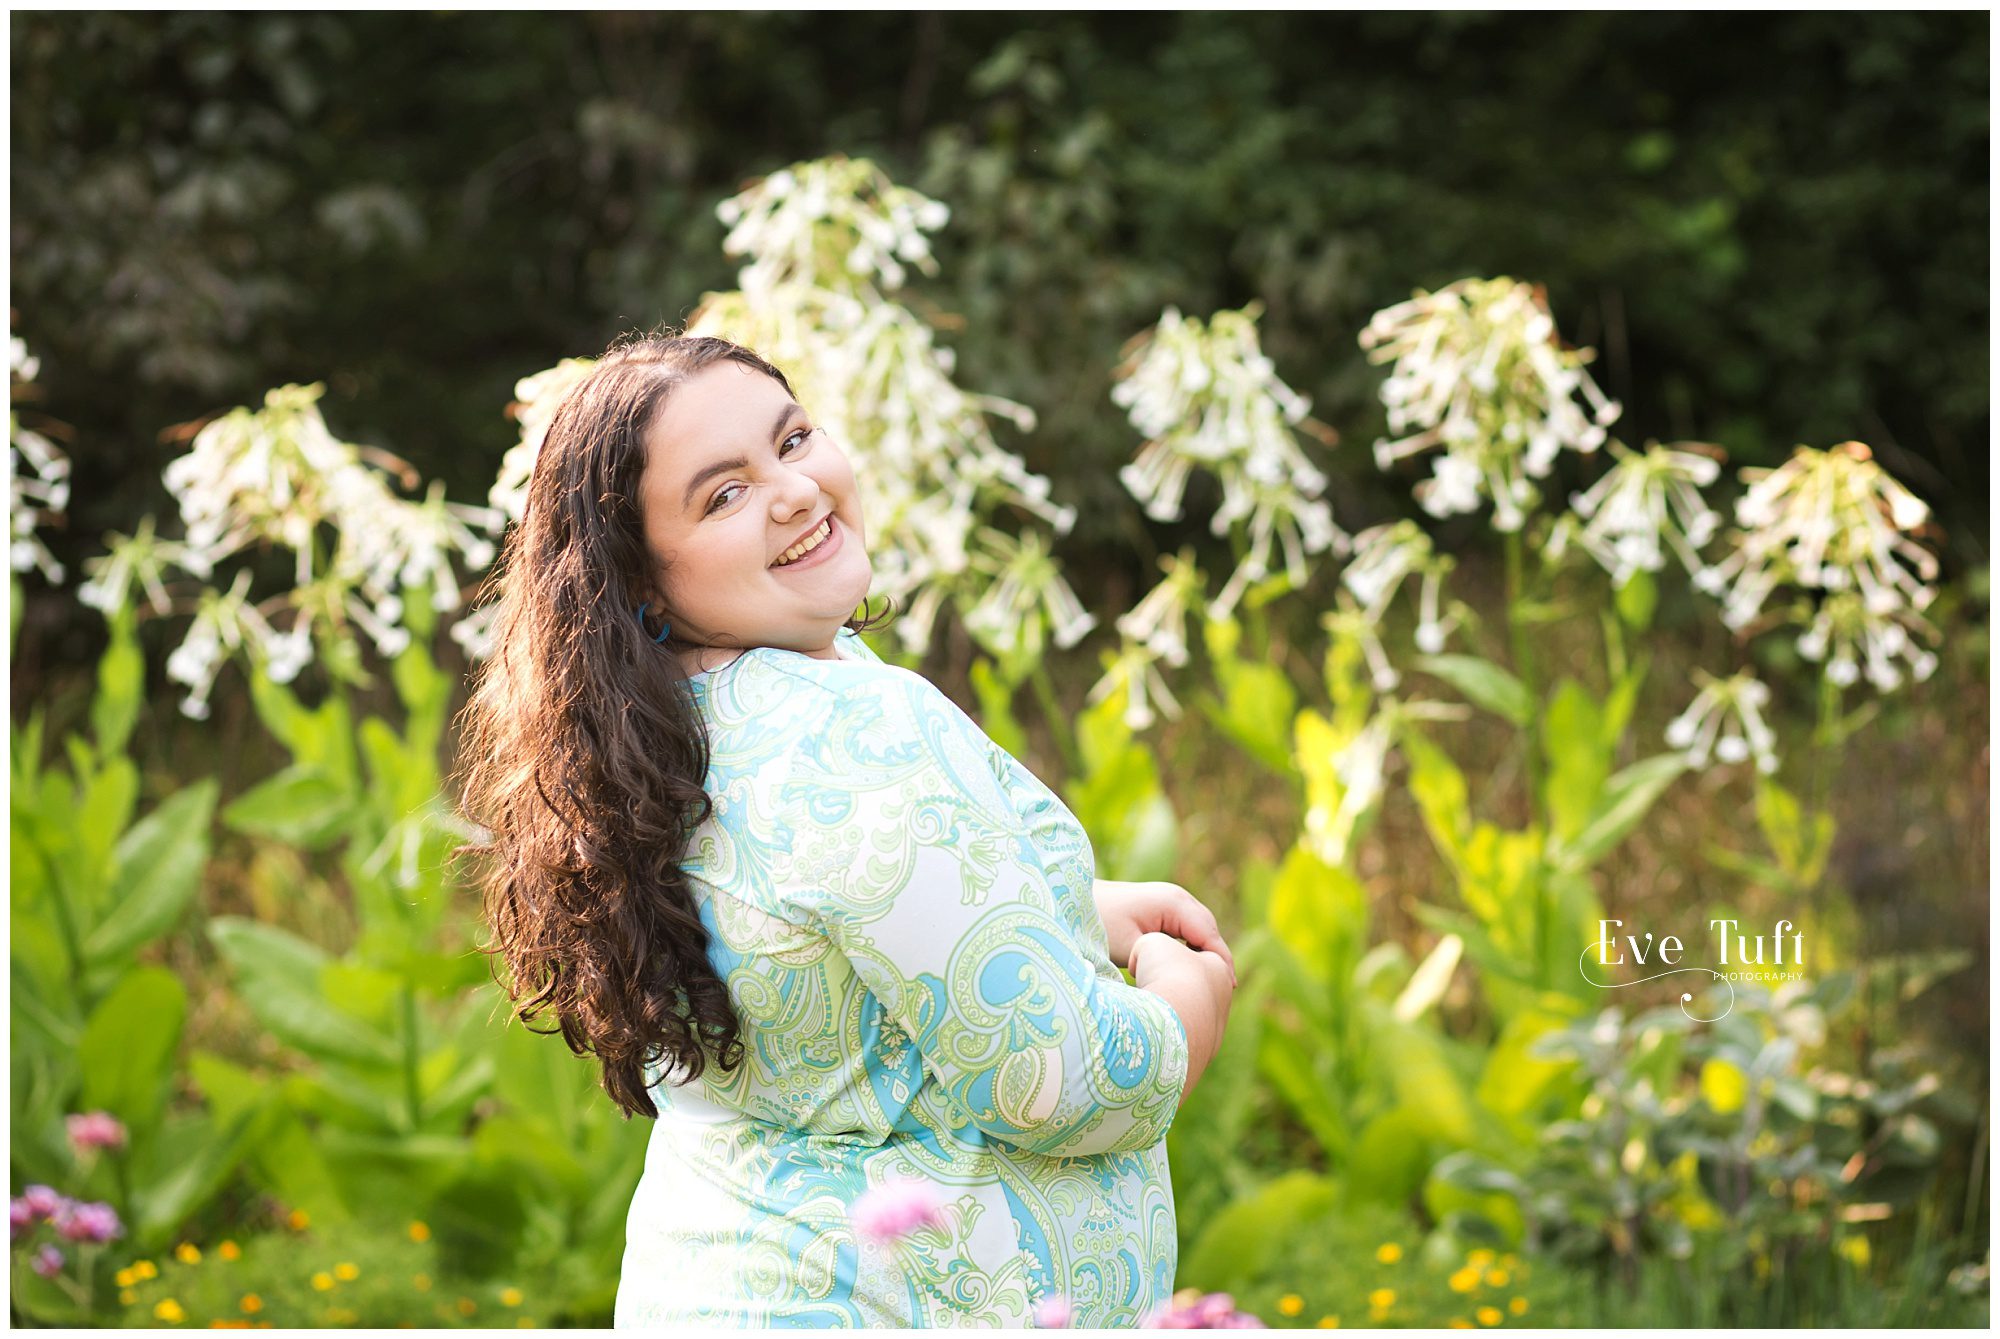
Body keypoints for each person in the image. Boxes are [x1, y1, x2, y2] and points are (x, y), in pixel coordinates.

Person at [453, 333, 1238, 1327]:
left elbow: (812, 938)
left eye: (791, 438)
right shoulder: (860, 733)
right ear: (642, 582)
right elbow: (1064, 1085)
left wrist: (1067, 909)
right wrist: (1186, 995)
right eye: (721, 494)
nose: (789, 490)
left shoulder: (645, 744)